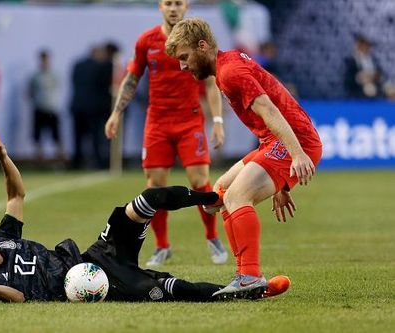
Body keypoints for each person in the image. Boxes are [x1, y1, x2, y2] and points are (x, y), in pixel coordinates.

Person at [0, 130, 228, 303]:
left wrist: (4, 159)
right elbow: (19, 298)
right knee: (168, 290)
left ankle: (213, 199)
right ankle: (236, 291)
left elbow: (15, 196)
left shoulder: (2, 239)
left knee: (148, 200)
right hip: (91, 283)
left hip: (93, 257)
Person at [165, 17, 322, 299]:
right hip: (276, 143)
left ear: (202, 46)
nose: (183, 66)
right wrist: (280, 184)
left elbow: (270, 110)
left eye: (185, 57)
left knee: (237, 197)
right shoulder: (227, 64)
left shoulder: (230, 72)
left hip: (294, 141)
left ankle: (250, 276)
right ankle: (248, 279)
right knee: (221, 193)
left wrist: (296, 154)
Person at [105, 0, 227, 267]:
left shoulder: (198, 40)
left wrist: (217, 120)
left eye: (178, 3)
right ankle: (162, 246)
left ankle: (212, 237)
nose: (173, 8)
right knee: (155, 186)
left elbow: (210, 82)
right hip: (157, 122)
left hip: (190, 120)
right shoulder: (146, 41)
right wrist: (116, 113)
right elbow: (132, 78)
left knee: (200, 181)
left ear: (186, 7)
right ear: (160, 6)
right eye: (168, 3)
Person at [70, 46, 113, 169]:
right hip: (93, 107)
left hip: (77, 105)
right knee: (96, 137)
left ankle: (76, 163)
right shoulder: (99, 67)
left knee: (77, 137)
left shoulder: (78, 65)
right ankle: (97, 162)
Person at [28, 49, 64, 161]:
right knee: (37, 136)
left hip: (52, 108)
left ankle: (59, 158)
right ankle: (38, 158)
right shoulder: (35, 75)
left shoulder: (54, 75)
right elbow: (30, 92)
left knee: (56, 135)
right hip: (39, 108)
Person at [344, 33, 382, 99]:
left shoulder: (373, 60)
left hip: (375, 88)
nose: (366, 48)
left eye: (367, 46)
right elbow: (347, 82)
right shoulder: (351, 61)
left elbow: (380, 74)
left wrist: (376, 76)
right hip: (359, 92)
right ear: (358, 46)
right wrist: (359, 78)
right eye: (363, 45)